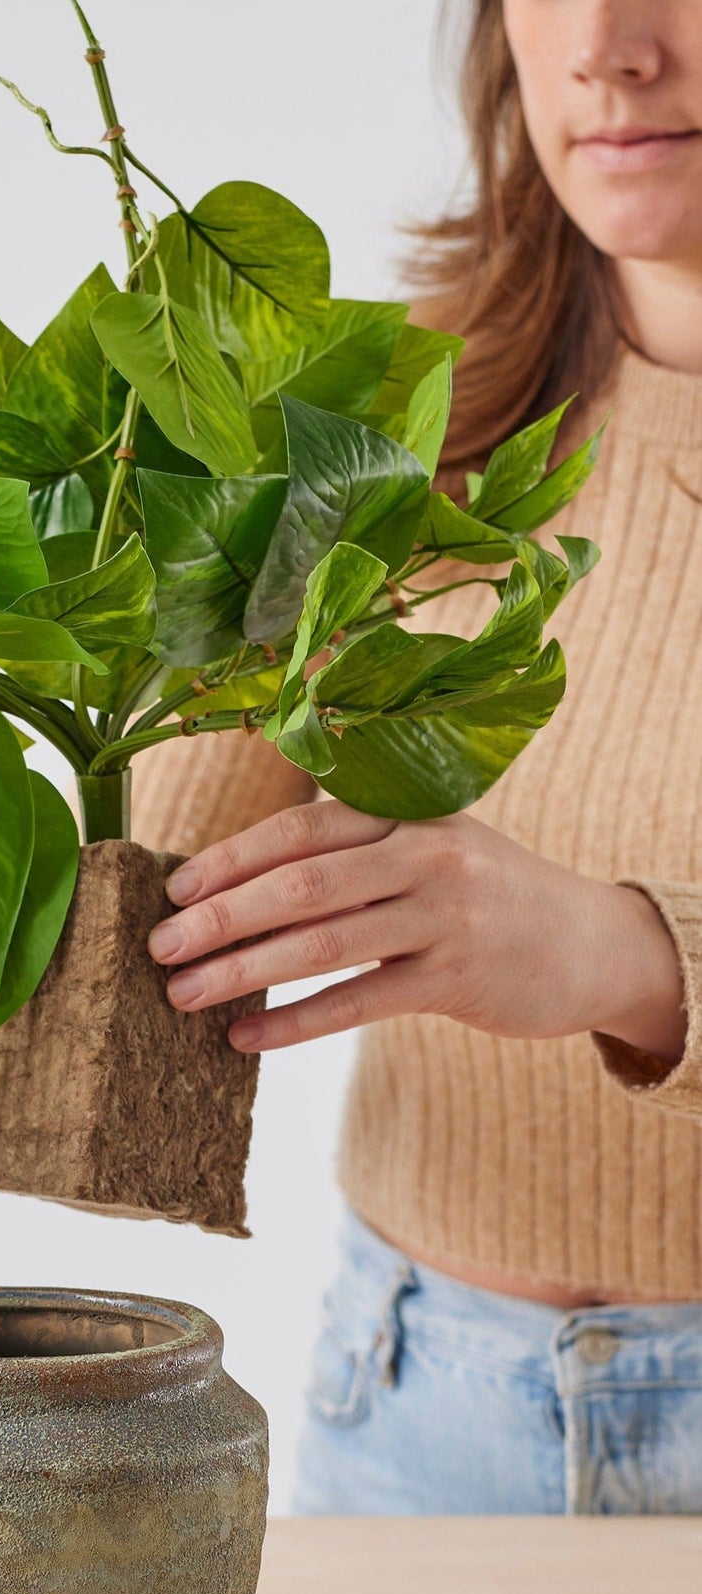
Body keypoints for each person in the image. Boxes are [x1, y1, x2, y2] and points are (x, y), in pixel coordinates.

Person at [133, 0, 702, 1517]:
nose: (609, 46)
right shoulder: (417, 403)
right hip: (411, 1410)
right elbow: (156, 895)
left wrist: (624, 954)